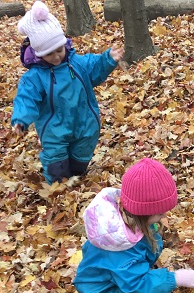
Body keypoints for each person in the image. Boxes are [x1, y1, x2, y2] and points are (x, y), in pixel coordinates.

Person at [73, 158, 194, 293]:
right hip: (105, 289)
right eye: (159, 213)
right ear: (142, 213)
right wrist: (177, 278)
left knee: (122, 287)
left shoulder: (128, 220)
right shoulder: (121, 247)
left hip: (106, 279)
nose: (164, 216)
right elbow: (138, 285)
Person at [11, 1, 124, 184]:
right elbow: (26, 98)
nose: (56, 57)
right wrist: (21, 119)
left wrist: (107, 60)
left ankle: (76, 180)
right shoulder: (35, 77)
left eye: (59, 50)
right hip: (54, 130)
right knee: (57, 170)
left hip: (84, 124)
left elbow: (94, 67)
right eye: (49, 54)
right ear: (39, 54)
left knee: (79, 164)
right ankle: (59, 192)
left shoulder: (76, 63)